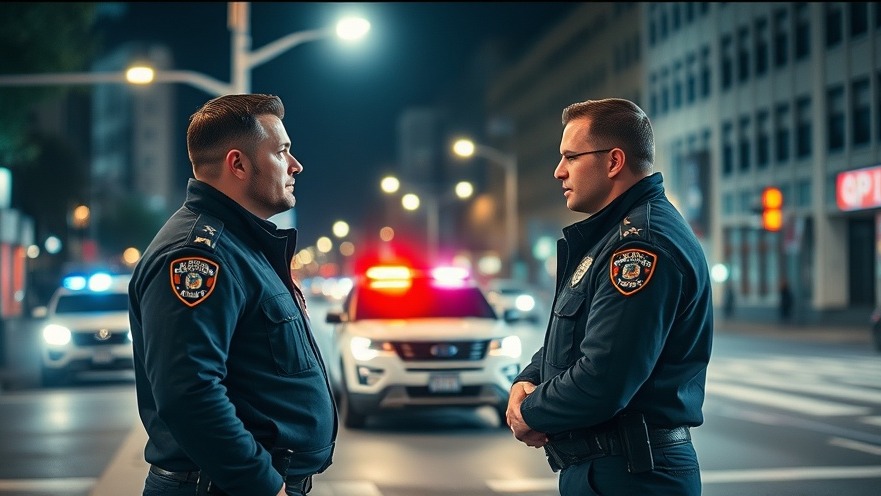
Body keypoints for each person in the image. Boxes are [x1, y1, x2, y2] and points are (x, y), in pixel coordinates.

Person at [128, 94, 337, 496]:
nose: (296, 166)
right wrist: (261, 484)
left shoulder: (240, 247)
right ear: (237, 164)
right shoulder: (197, 255)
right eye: (282, 152)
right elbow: (189, 392)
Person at [506, 98, 712, 495]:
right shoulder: (610, 239)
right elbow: (574, 338)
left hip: (633, 476)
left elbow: (602, 380)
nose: (558, 171)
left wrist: (528, 411)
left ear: (613, 161)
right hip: (616, 470)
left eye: (570, 156)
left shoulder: (639, 247)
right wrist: (526, 381)